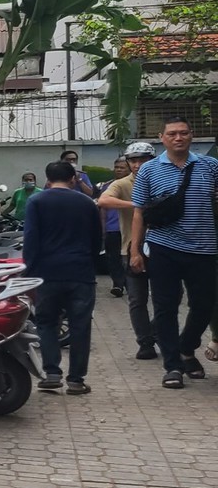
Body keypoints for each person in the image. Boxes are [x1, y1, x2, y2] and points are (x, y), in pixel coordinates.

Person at [128, 117, 218, 388]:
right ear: (162, 137)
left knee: (204, 305)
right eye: (172, 134)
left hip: (205, 248)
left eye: (183, 133)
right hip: (164, 247)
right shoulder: (149, 170)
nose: (178, 138)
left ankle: (186, 346)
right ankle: (173, 366)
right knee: (165, 307)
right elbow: (139, 212)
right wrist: (135, 251)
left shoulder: (210, 166)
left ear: (192, 136)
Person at [23, 161, 101, 394]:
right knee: (80, 326)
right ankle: (76, 380)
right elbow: (97, 240)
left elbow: (31, 240)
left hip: (47, 273)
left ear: (47, 178)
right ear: (73, 179)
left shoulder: (36, 201)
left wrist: (29, 271)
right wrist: (89, 261)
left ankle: (52, 373)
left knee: (46, 323)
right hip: (81, 272)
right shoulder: (87, 203)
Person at [99, 143, 158, 357]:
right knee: (137, 298)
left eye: (143, 160)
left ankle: (154, 332)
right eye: (133, 160)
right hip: (132, 248)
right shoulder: (122, 184)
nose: (137, 165)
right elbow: (103, 200)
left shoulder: (162, 179)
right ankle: (145, 343)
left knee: (171, 297)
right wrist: (136, 205)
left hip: (163, 249)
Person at [100, 157, 131, 297]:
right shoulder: (107, 186)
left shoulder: (137, 184)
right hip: (112, 228)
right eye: (117, 167)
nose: (118, 170)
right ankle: (118, 284)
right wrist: (102, 228)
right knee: (113, 258)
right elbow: (103, 209)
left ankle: (131, 285)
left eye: (122, 167)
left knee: (130, 258)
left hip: (130, 229)